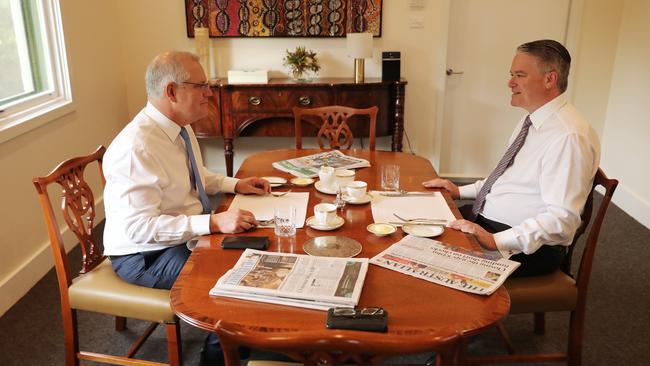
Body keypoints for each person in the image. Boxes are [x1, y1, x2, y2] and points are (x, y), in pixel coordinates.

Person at [103, 51, 270, 365]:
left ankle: (245, 339)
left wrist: (236, 185)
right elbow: (140, 229)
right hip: (143, 254)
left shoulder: (179, 127)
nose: (209, 92)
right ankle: (216, 358)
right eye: (201, 85)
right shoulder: (136, 147)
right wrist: (212, 224)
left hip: (177, 235)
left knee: (255, 253)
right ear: (171, 91)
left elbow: (197, 176)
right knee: (227, 281)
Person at [423, 40, 600, 277]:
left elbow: (562, 220)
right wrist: (459, 191)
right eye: (511, 74)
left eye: (520, 75)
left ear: (550, 79)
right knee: (415, 227)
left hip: (526, 246)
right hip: (490, 221)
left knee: (427, 263)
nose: (510, 83)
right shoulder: (532, 121)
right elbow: (507, 179)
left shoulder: (568, 136)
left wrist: (495, 240)